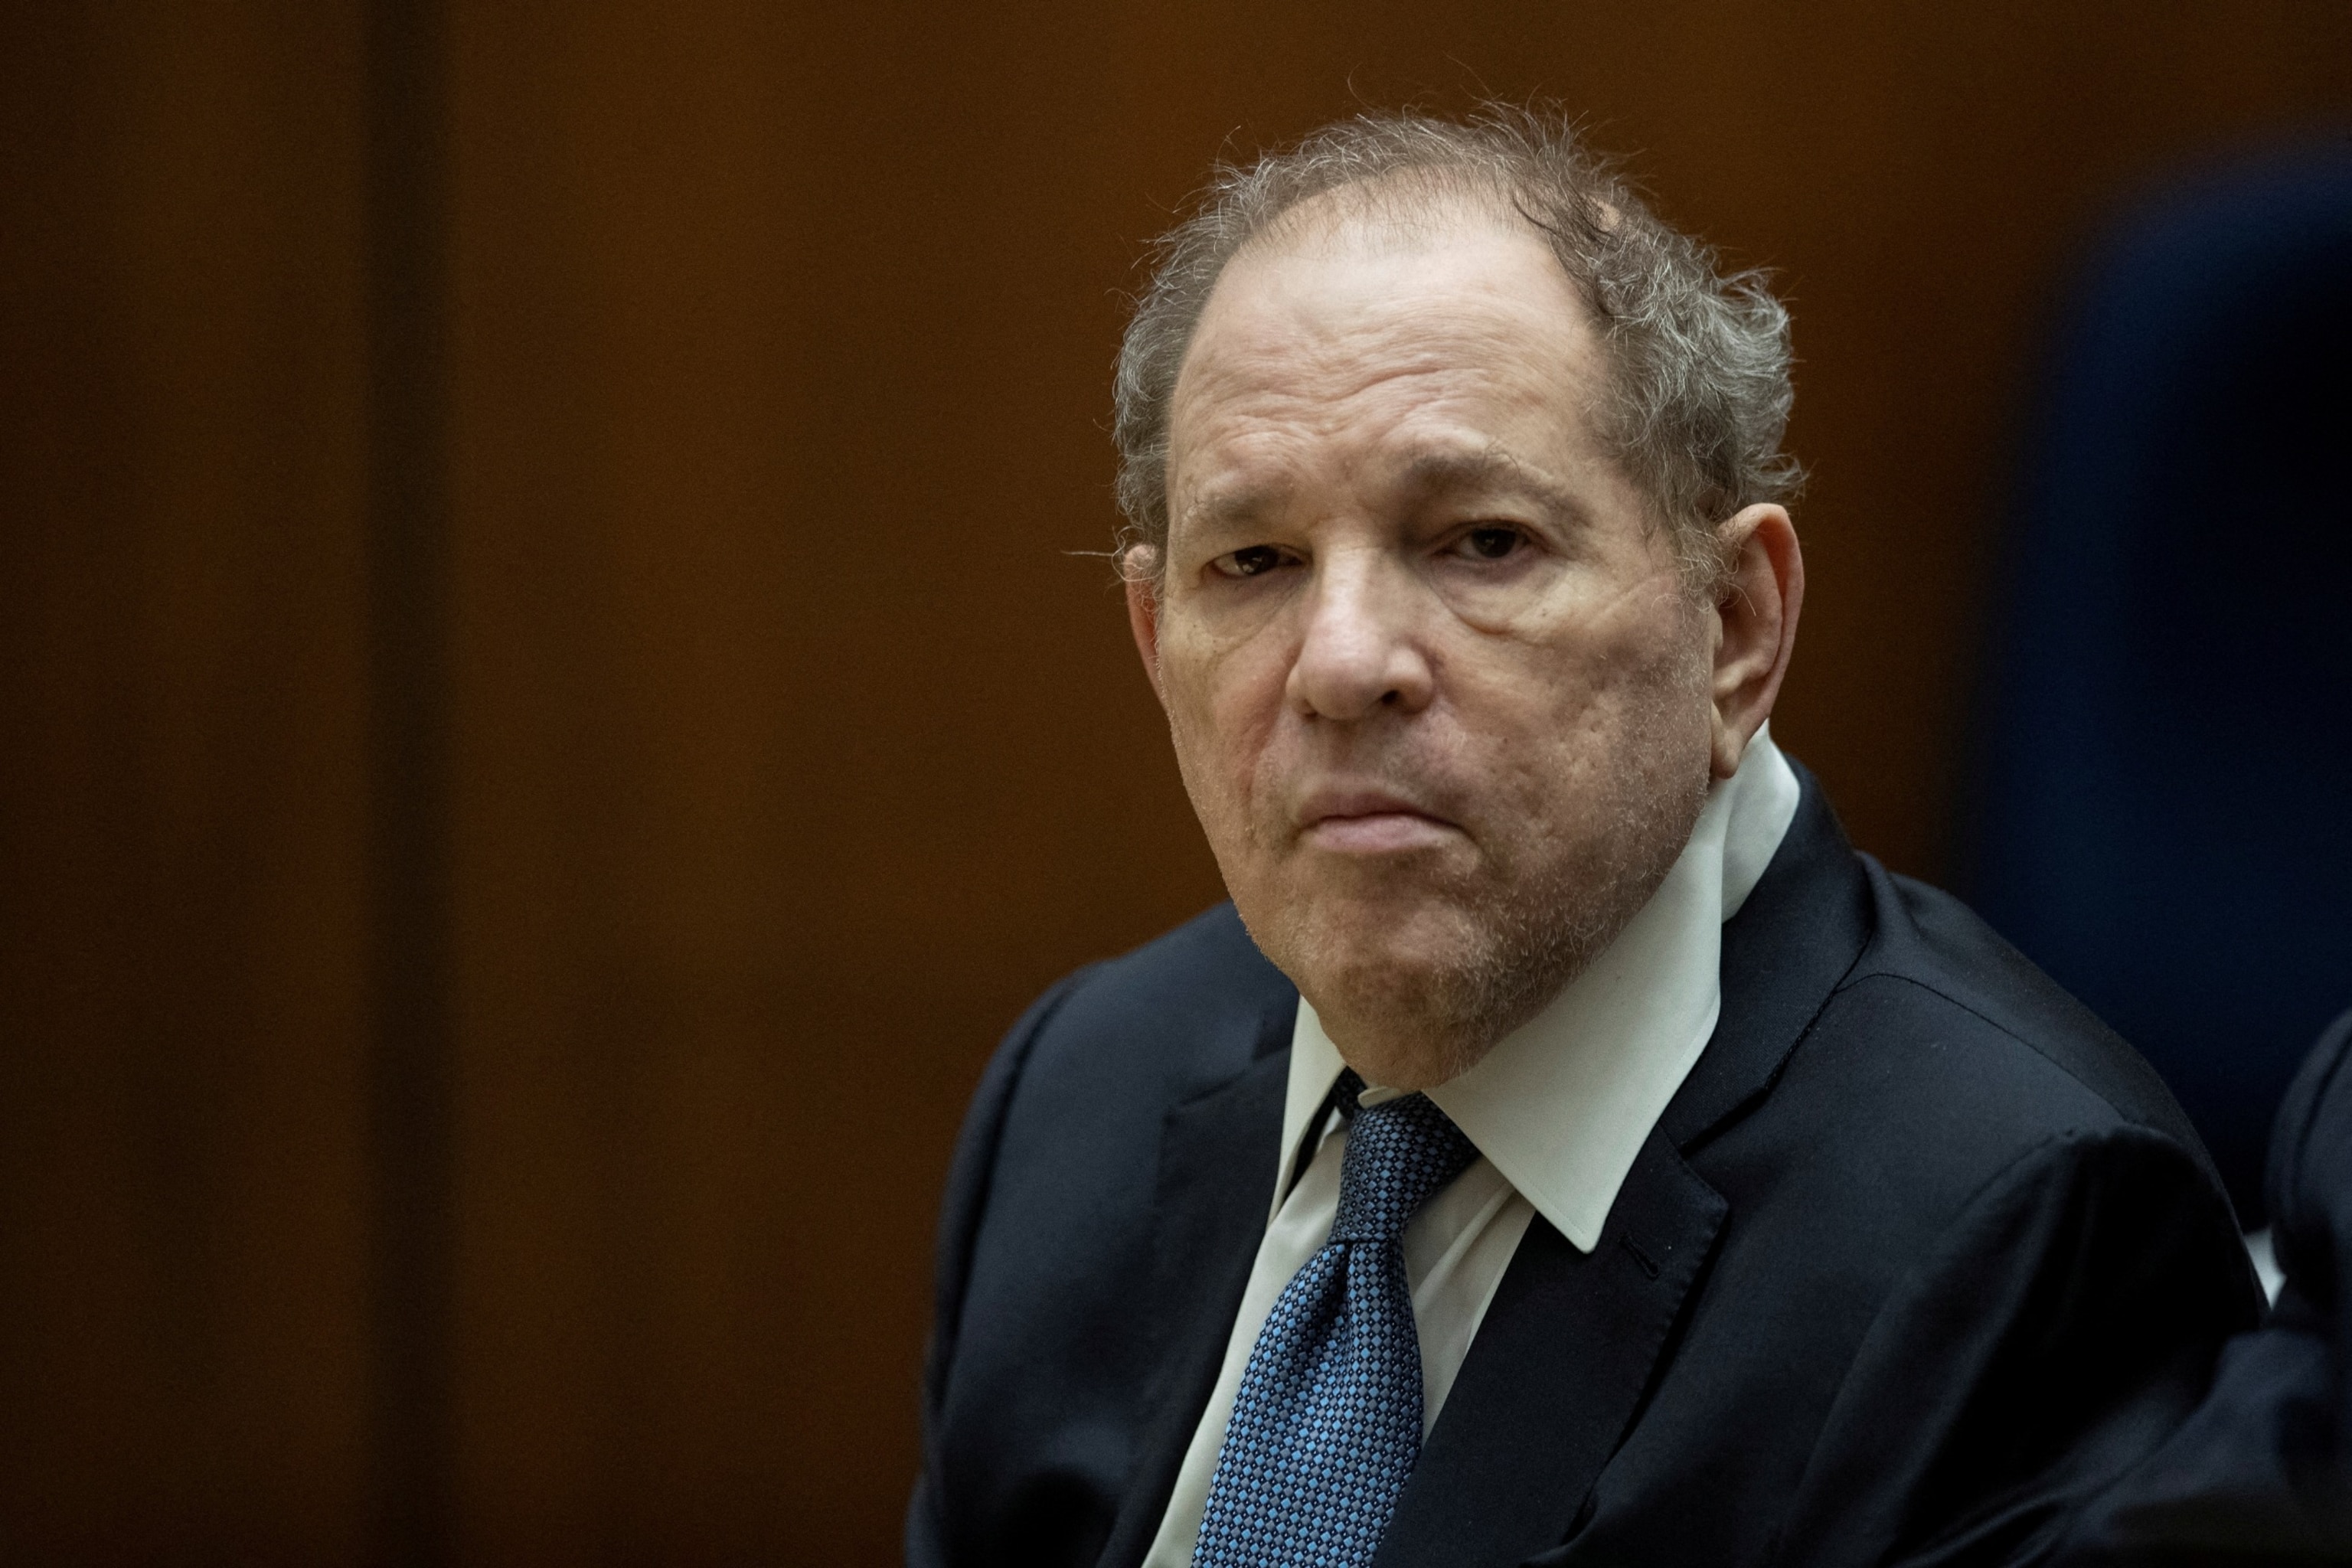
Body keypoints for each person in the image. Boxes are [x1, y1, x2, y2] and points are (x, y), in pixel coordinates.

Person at [906, 107, 2260, 1568]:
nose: (1342, 660)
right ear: (1154, 639)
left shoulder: (2019, 1238)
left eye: (1482, 541)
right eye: (1254, 563)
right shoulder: (1081, 1094)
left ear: (1736, 630)